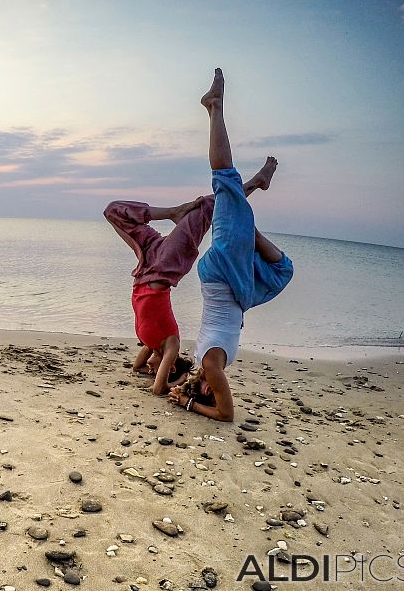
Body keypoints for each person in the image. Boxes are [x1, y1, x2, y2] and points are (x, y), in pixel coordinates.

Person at [167, 68, 294, 421]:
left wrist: (188, 401)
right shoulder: (212, 363)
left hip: (225, 273)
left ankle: (216, 108)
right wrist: (190, 399)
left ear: (203, 384)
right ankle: (250, 207)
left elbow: (224, 414)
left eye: (209, 389)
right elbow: (225, 412)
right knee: (284, 269)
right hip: (232, 279)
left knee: (224, 181)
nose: (217, 388)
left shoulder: (210, 362)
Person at [104, 149, 276, 396]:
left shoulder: (152, 344)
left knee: (112, 212)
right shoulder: (171, 345)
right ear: (170, 365)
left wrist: (157, 367)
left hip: (146, 261)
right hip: (166, 264)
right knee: (206, 208)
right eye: (158, 370)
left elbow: (138, 369)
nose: (150, 371)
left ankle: (181, 210)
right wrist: (180, 379)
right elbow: (159, 389)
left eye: (153, 370)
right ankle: (250, 185)